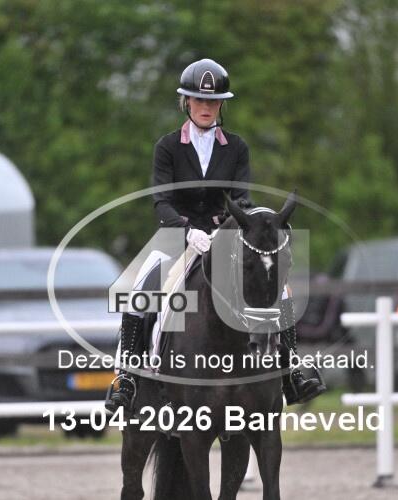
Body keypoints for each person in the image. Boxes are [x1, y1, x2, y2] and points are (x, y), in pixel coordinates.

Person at [105, 58, 325, 413]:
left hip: (225, 238)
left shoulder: (236, 147)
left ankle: (292, 372)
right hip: (176, 236)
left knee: (280, 289)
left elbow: (241, 198)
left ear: (221, 105)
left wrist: (226, 229)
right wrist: (187, 231)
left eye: (213, 101)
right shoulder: (168, 147)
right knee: (139, 293)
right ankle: (126, 378)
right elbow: (161, 201)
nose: (206, 107)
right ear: (187, 102)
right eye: (199, 100)